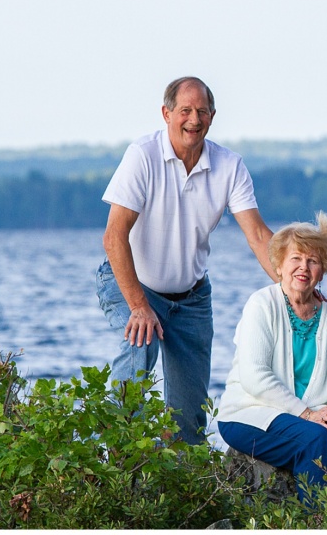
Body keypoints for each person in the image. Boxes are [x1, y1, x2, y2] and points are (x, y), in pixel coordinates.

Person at [96, 76, 278, 445]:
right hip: (131, 283)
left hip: (191, 299)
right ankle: (116, 461)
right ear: (166, 114)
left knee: (190, 415)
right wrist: (139, 306)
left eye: (202, 111)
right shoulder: (142, 155)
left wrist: (294, 284)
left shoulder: (229, 166)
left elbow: (259, 236)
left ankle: (182, 475)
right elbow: (114, 237)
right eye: (185, 111)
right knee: (139, 350)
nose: (194, 119)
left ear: (212, 116)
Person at [217, 213, 327, 500]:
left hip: (308, 415)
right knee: (314, 439)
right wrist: (309, 415)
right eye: (295, 258)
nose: (303, 267)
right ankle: (321, 520)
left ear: (322, 271)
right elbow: (255, 376)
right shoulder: (261, 305)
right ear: (279, 265)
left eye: (313, 261)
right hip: (250, 413)